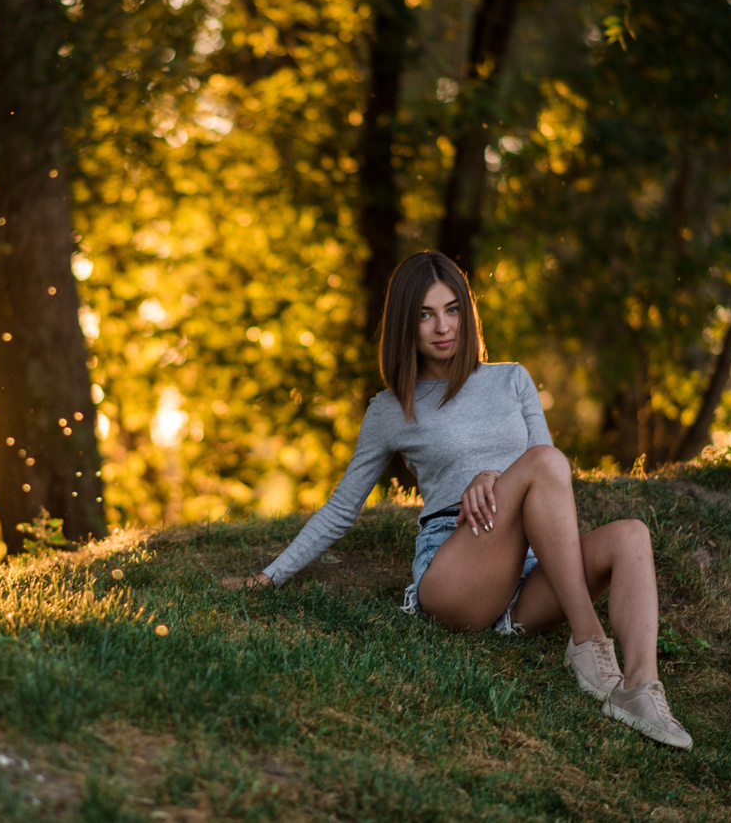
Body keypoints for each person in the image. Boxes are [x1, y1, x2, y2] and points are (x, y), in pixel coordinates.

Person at [221, 250, 692, 750]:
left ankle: (639, 690)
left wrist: (496, 476)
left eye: (452, 310)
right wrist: (269, 576)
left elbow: (551, 475)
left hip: (531, 569)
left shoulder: (511, 378)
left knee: (630, 535)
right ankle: (589, 642)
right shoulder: (390, 408)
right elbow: (342, 508)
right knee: (543, 462)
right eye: (425, 314)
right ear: (406, 323)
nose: (442, 327)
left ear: (467, 313)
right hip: (457, 569)